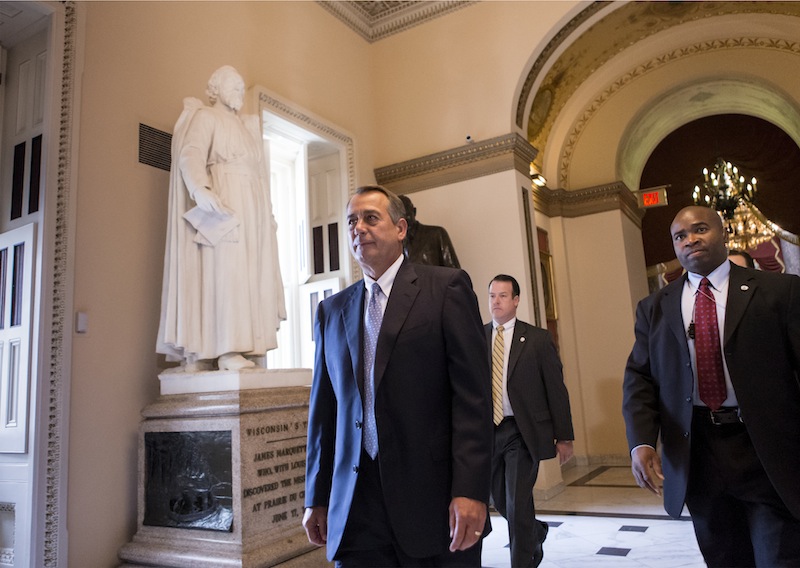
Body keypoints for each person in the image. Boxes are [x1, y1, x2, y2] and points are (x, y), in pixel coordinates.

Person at [303, 185, 493, 567]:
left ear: (401, 228)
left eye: (371, 218)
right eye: (351, 221)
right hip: (356, 506)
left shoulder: (446, 289)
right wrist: (316, 496)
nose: (359, 228)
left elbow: (472, 401)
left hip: (433, 501)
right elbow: (324, 414)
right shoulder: (332, 311)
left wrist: (471, 490)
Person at [623, 205, 800, 567]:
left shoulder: (782, 291)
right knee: (724, 557)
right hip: (698, 454)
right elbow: (640, 377)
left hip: (768, 452)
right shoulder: (654, 308)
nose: (691, 240)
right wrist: (641, 440)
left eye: (700, 229)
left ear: (722, 233)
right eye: (680, 236)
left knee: (779, 556)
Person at [157, 65, 285, 372]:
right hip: (225, 204)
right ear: (216, 88)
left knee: (251, 276)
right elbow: (190, 154)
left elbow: (259, 175)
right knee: (227, 275)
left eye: (243, 87)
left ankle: (244, 348)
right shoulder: (207, 117)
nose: (240, 91)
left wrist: (267, 214)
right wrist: (199, 188)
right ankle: (225, 349)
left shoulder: (245, 128)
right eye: (235, 86)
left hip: (251, 209)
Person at [486, 274, 574, 568]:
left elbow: (556, 389)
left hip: (522, 432)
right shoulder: (478, 336)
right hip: (489, 431)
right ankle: (535, 532)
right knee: (500, 500)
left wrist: (564, 436)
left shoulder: (536, 338)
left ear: (516, 300)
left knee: (516, 500)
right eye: (492, 296)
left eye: (502, 295)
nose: (496, 301)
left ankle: (522, 561)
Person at [399, 194, 461, 268]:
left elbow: (454, 271)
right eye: (399, 216)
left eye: (407, 215)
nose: (404, 220)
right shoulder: (392, 243)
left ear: (414, 211)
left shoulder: (436, 234)